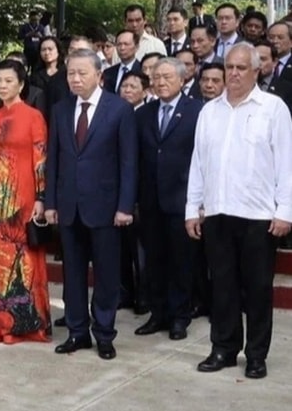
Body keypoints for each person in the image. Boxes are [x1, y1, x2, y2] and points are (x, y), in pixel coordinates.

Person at [186, 43, 292, 380]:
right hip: (218, 212)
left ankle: (257, 355)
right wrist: (192, 208)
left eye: (241, 68)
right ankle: (224, 348)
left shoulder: (273, 109)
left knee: (258, 288)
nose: (233, 73)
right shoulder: (209, 111)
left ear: (257, 70)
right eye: (229, 67)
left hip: (259, 215)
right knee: (223, 286)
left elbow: (286, 163)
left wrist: (285, 210)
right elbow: (198, 164)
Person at [45, 48, 137, 361]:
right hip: (69, 206)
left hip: (106, 207)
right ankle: (77, 332)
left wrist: (125, 205)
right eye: (71, 73)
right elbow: (55, 160)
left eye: (82, 73)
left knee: (107, 274)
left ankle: (104, 333)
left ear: (99, 75)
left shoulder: (119, 109)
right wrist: (50, 202)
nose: (75, 78)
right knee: (72, 274)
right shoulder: (60, 110)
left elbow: (129, 162)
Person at [0, 60, 50, 343]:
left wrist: (41, 198)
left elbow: (40, 159)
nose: (2, 85)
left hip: (23, 197)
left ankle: (23, 325)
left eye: (8, 80)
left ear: (21, 84)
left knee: (23, 263)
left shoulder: (33, 116)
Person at [135, 57, 202, 341]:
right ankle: (158, 313)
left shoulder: (197, 111)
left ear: (183, 79)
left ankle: (179, 317)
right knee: (154, 260)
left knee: (181, 261)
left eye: (167, 77)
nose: (160, 82)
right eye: (156, 77)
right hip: (150, 200)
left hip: (182, 200)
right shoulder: (143, 113)